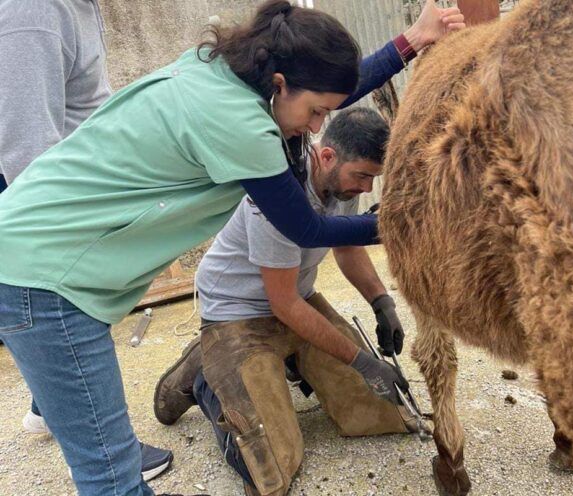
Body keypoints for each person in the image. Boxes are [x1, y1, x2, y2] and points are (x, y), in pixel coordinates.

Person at [0, 1, 464, 495]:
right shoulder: (242, 129)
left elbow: (328, 88)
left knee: (99, 435)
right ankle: (201, 374)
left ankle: (71, 407)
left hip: (42, 261)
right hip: (42, 279)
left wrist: (409, 43)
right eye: (315, 113)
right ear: (280, 84)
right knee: (114, 477)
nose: (315, 128)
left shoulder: (223, 73)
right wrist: (404, 223)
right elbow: (307, 229)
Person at [154, 108, 421, 496]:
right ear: (327, 155)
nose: (367, 189)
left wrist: (382, 302)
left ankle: (290, 358)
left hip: (295, 297)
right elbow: (283, 306)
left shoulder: (342, 184)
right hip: (240, 311)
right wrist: (362, 361)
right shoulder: (278, 193)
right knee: (271, 468)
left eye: (372, 179)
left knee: (383, 413)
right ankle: (203, 375)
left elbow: (346, 244)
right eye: (363, 176)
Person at [0, 0, 171, 485]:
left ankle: (51, 411)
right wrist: (75, 251)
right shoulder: (35, 11)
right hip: (45, 220)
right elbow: (25, 150)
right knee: (65, 323)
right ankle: (105, 455)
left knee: (64, 329)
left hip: (62, 205)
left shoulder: (77, 6)